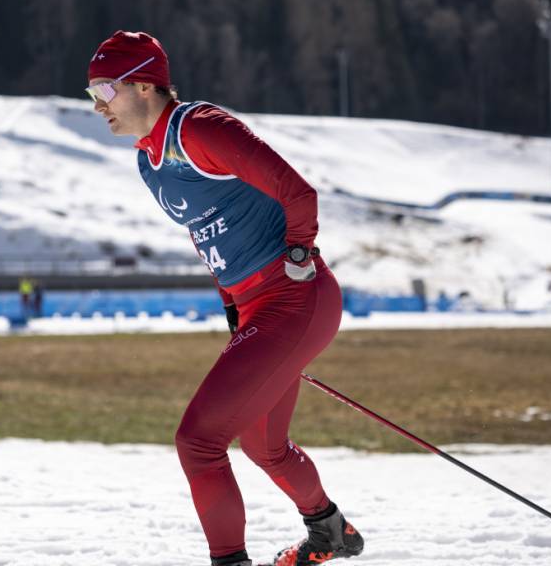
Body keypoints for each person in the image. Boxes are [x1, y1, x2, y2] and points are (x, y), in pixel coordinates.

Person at [86, 31, 363, 566]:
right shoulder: (149, 160)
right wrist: (234, 306)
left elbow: (297, 192)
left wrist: (299, 252)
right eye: (91, 92)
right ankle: (330, 531)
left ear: (144, 85)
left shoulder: (199, 128)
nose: (98, 105)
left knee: (198, 442)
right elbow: (209, 236)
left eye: (105, 89)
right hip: (258, 307)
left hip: (295, 297)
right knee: (264, 447)